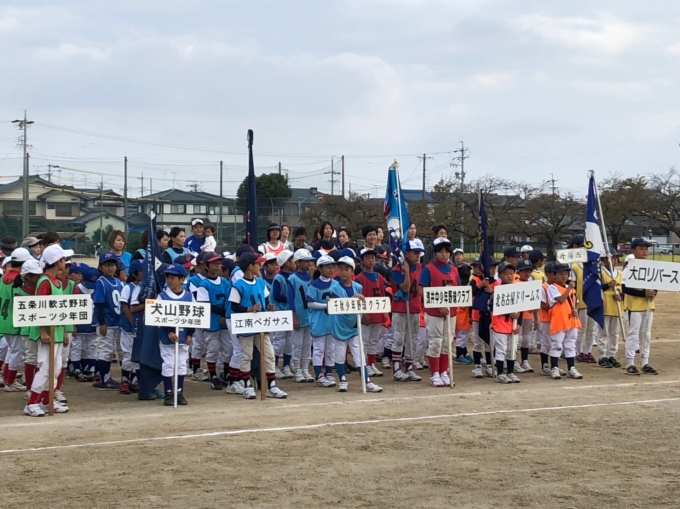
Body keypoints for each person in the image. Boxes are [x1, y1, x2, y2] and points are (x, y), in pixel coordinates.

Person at [229, 252, 288, 399]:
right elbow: (234, 306)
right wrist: (248, 309)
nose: (260, 266)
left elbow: (266, 301)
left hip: (261, 324)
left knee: (269, 354)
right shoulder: (238, 285)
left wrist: (269, 307)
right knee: (246, 355)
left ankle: (271, 386)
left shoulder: (260, 283)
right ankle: (247, 385)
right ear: (250, 267)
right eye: (257, 264)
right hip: (247, 326)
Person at [24, 244, 69, 417]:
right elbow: (39, 308)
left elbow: (59, 310)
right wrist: (42, 331)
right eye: (63, 260)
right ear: (57, 262)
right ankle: (32, 402)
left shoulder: (56, 282)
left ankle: (47, 399)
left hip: (56, 332)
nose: (64, 263)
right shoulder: (45, 281)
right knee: (45, 366)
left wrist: (63, 331)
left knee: (55, 367)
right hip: (47, 333)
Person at [419, 237, 460, 387]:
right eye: (441, 251)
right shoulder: (428, 269)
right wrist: (438, 304)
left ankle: (444, 371)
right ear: (434, 253)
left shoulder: (454, 270)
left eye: (446, 251)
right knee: (435, 341)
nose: (444, 254)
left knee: (447, 342)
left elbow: (458, 290)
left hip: (451, 312)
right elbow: (421, 290)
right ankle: (435, 373)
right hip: (434, 312)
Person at [157, 263, 194, 406]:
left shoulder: (189, 296)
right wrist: (169, 331)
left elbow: (194, 318)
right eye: (168, 277)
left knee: (181, 364)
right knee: (168, 364)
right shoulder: (162, 296)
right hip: (167, 337)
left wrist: (190, 334)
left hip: (183, 336)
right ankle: (168, 392)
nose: (169, 280)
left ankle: (179, 392)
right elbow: (158, 317)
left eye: (173, 277)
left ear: (182, 280)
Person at [196, 254, 232, 391]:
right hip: (211, 322)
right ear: (206, 266)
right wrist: (223, 314)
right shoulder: (203, 285)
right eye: (213, 264)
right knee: (213, 349)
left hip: (225, 321)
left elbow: (230, 300)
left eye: (218, 264)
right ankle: (213, 375)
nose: (217, 267)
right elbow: (206, 305)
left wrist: (225, 315)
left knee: (228, 348)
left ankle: (225, 373)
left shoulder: (225, 282)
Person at [390, 239, 424, 382]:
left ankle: (409, 367)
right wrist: (407, 271)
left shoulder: (420, 267)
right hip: (400, 307)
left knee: (413, 338)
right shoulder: (397, 270)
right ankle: (396, 368)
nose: (417, 256)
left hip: (414, 307)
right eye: (415, 253)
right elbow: (405, 288)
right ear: (406, 253)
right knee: (399, 337)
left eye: (419, 253)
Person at [622, 238, 658, 375]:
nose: (645, 251)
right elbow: (624, 288)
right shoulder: (630, 267)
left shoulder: (650, 266)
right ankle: (630, 363)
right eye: (641, 249)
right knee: (633, 334)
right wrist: (644, 293)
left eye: (646, 249)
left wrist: (653, 293)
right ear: (633, 250)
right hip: (634, 305)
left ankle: (645, 362)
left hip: (648, 305)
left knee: (646, 334)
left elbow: (656, 284)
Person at [0, 247, 32, 392]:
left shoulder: (3, 277)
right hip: (15, 321)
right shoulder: (19, 279)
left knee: (12, 350)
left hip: (4, 320)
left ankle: (7, 378)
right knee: (17, 352)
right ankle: (10, 381)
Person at [93, 252, 124, 390]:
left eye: (112, 265)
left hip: (118, 322)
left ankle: (107, 377)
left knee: (118, 350)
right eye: (106, 265)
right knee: (105, 350)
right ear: (101, 267)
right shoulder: (101, 281)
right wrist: (102, 323)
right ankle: (104, 379)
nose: (110, 268)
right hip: (107, 322)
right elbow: (99, 304)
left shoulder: (118, 282)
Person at [356, 246, 388, 377]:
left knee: (374, 340)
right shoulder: (359, 278)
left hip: (377, 312)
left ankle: (371, 363)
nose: (370, 260)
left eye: (372, 258)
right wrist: (363, 314)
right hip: (366, 314)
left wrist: (384, 311)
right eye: (367, 258)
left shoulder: (379, 277)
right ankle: (364, 365)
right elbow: (358, 298)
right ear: (362, 261)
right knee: (364, 341)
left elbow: (382, 294)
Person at [547, 263, 583, 380]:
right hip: (559, 320)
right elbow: (561, 299)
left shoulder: (570, 288)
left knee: (570, 344)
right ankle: (554, 367)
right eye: (561, 274)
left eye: (566, 274)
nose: (564, 276)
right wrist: (569, 288)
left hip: (570, 319)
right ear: (555, 275)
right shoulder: (553, 287)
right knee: (556, 344)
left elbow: (576, 301)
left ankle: (571, 367)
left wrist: (575, 309)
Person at [307, 255, 338, 387]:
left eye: (332, 267)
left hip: (332, 321)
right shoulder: (315, 284)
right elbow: (310, 303)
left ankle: (329, 373)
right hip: (319, 321)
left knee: (331, 349)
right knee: (319, 349)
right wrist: (327, 306)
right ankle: (318, 375)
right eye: (327, 267)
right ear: (320, 268)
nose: (331, 270)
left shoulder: (335, 284)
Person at [490, 262, 522, 384]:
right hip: (500, 325)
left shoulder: (517, 290)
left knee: (512, 349)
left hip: (513, 326)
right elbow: (493, 307)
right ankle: (500, 373)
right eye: (506, 274)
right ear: (500, 275)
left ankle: (510, 372)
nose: (509, 276)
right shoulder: (497, 290)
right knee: (501, 349)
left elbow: (522, 309)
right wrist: (509, 314)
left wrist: (519, 324)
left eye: (511, 273)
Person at [567, 235, 597, 364]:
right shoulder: (574, 265)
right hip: (581, 300)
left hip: (592, 300)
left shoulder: (590, 264)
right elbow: (572, 285)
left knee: (591, 328)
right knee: (581, 327)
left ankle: (588, 352)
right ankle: (579, 352)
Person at [288, 249, 316, 382]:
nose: (309, 264)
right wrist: (294, 317)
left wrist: (313, 276)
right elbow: (290, 299)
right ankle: (297, 369)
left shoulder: (311, 277)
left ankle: (305, 368)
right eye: (306, 261)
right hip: (299, 315)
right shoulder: (292, 279)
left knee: (307, 344)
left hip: (309, 315)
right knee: (297, 344)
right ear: (298, 262)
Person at [119, 259, 144, 394]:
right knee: (128, 353)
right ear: (134, 274)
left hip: (140, 328)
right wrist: (132, 322)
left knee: (138, 354)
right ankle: (124, 380)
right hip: (128, 327)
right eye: (142, 271)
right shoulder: (128, 287)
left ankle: (135, 380)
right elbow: (125, 307)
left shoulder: (146, 287)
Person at [596, 247, 623, 369]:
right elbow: (596, 289)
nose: (615, 260)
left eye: (616, 258)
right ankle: (602, 355)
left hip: (616, 308)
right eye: (612, 258)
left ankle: (612, 354)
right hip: (605, 306)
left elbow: (624, 290)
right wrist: (607, 285)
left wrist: (620, 296)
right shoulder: (600, 273)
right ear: (605, 259)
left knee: (614, 333)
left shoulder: (620, 274)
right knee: (603, 332)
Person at [271, 250, 295, 379]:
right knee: (279, 340)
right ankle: (273, 366)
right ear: (287, 263)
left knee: (289, 340)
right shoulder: (279, 277)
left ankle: (286, 365)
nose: (294, 263)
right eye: (292, 260)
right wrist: (290, 298)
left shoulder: (291, 276)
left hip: (288, 312)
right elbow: (276, 295)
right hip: (280, 313)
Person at [514, 259, 535, 374]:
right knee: (518, 339)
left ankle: (525, 360)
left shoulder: (531, 284)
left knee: (526, 339)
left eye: (529, 271)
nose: (527, 273)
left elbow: (535, 302)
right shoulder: (515, 283)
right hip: (517, 316)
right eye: (524, 271)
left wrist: (537, 318)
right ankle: (514, 360)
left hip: (528, 315)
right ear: (518, 272)